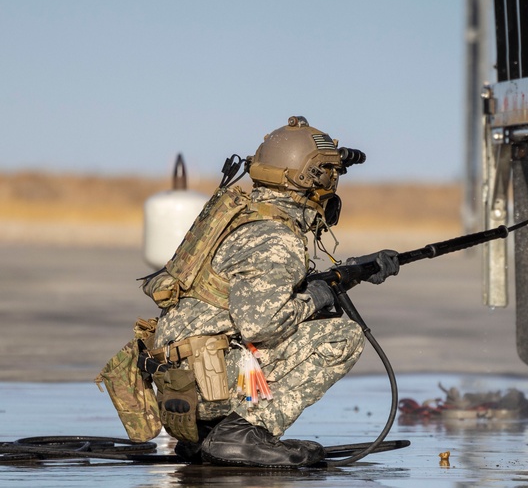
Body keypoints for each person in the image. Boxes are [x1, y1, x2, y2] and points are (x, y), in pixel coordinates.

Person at [140, 116, 398, 468]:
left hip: (183, 382)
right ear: (310, 179)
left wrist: (353, 273)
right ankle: (243, 432)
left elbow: (263, 291)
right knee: (342, 337)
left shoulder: (243, 217)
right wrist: (317, 299)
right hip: (203, 382)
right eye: (329, 175)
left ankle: (213, 435)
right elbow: (262, 325)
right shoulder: (275, 237)